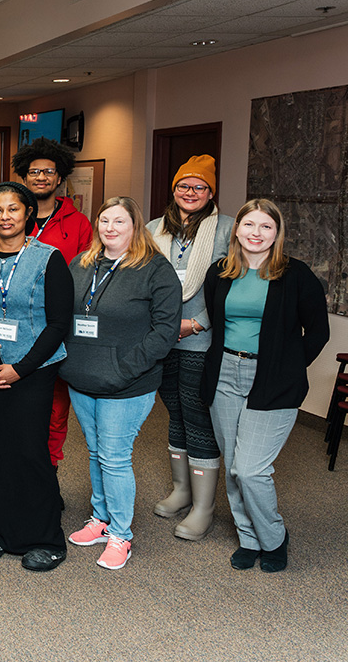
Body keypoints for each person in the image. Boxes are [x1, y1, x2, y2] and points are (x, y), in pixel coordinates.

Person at [201, 199, 328, 573]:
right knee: (234, 465)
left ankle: (273, 538)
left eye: (266, 227)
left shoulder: (296, 274)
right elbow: (217, 320)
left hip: (273, 381)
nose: (256, 233)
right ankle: (248, 537)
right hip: (224, 372)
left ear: (277, 233)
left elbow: (318, 332)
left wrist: (286, 367)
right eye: (249, 225)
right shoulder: (219, 272)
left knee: (251, 469)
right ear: (236, 229)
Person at [60, 197, 181, 570]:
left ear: (136, 226)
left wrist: (125, 369)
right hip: (81, 378)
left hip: (128, 383)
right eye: (104, 220)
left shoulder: (155, 270)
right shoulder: (81, 265)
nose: (110, 228)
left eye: (120, 221)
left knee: (114, 457)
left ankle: (121, 535)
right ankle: (100, 519)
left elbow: (165, 331)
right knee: (95, 453)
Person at [0, 182, 73, 571]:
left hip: (32, 370)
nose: (4, 217)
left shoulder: (49, 259)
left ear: (28, 213)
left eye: (12, 209)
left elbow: (59, 324)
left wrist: (20, 369)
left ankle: (43, 537)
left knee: (28, 451)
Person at [147, 154, 234, 541]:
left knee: (198, 415)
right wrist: (164, 325)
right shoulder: (152, 229)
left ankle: (204, 506)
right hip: (162, 338)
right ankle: (182, 490)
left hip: (203, 337)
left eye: (200, 187)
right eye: (185, 185)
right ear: (174, 189)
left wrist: (197, 323)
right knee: (175, 413)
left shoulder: (227, 230)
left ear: (211, 192)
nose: (191, 192)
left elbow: (232, 289)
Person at [11, 138, 92, 473]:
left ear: (60, 178)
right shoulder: (10, 216)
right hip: (14, 328)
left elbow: (88, 276)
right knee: (16, 405)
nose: (41, 177)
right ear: (24, 177)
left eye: (48, 172)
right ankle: (17, 470)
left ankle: (48, 473)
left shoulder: (79, 223)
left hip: (59, 328)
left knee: (56, 410)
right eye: (34, 172)